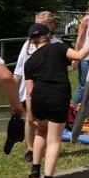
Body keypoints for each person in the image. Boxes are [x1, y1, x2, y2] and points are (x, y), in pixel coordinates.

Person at [24, 23, 89, 178]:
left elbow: (28, 91)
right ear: (48, 36)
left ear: (32, 41)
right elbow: (80, 56)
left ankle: (34, 171)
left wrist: (31, 114)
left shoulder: (30, 61)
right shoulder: (58, 47)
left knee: (41, 132)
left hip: (38, 99)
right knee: (54, 139)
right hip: (58, 96)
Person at [14, 11, 60, 162]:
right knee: (30, 118)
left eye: (43, 25)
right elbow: (20, 66)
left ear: (51, 26)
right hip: (30, 87)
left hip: (49, 88)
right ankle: (30, 148)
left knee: (45, 120)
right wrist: (14, 85)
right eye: (36, 24)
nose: (38, 28)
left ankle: (45, 147)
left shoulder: (57, 44)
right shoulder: (28, 44)